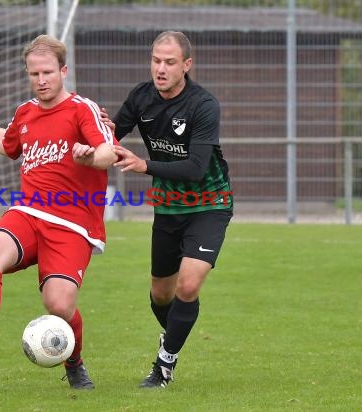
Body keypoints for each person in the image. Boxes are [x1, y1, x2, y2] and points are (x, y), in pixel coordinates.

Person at [0, 34, 117, 390]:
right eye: (34, 73)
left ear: (63, 71)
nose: (41, 80)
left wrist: (90, 155)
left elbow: (109, 151)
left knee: (58, 305)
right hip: (29, 212)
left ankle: (74, 364)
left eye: (47, 72)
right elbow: (6, 143)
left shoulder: (82, 109)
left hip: (72, 225)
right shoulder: (25, 113)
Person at [104, 31, 233, 388]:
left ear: (186, 66)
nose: (160, 69)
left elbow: (194, 168)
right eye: (156, 60)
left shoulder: (203, 105)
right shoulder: (142, 97)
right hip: (168, 207)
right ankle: (174, 335)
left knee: (188, 286)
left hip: (209, 203)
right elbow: (113, 136)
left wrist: (144, 166)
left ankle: (164, 365)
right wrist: (98, 127)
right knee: (161, 295)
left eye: (169, 62)